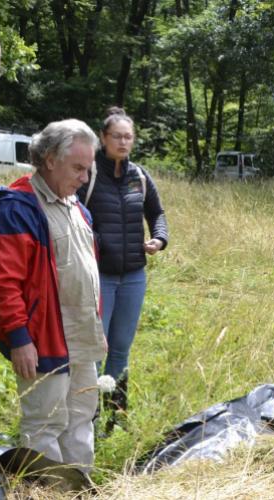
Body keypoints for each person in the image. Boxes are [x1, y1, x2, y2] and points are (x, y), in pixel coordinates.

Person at [0, 118, 107, 475]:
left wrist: (96, 330)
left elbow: (86, 278)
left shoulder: (78, 208)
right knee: (44, 426)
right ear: (50, 159)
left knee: (82, 419)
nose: (85, 178)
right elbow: (4, 285)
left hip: (81, 338)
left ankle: (79, 491)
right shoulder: (16, 208)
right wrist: (19, 338)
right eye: (78, 168)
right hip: (42, 341)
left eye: (89, 169)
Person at [77, 106, 168, 430]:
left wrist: (159, 238)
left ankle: (115, 417)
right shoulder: (88, 175)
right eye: (117, 136)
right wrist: (96, 240)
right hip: (99, 275)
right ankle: (89, 416)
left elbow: (157, 214)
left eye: (128, 136)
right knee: (96, 348)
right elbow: (73, 215)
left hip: (133, 277)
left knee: (121, 348)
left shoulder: (140, 177)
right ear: (103, 138)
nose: (123, 141)